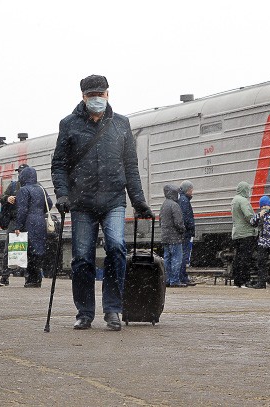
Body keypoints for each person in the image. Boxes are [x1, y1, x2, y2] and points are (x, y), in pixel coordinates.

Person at [51, 74, 153, 331]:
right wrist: (62, 194)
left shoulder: (121, 124)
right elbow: (59, 165)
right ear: (83, 97)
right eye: (91, 95)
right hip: (82, 202)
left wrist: (138, 201)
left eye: (101, 94)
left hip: (113, 200)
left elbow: (131, 165)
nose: (97, 99)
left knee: (117, 248)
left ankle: (113, 310)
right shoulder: (69, 125)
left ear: (108, 94)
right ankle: (84, 312)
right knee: (82, 258)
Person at [14, 166, 52, 288]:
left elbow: (22, 210)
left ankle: (31, 279)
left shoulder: (24, 190)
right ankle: (38, 278)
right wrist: (40, 212)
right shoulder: (41, 189)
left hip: (29, 222)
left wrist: (18, 225)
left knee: (29, 251)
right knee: (38, 250)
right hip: (40, 221)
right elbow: (49, 204)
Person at [0, 163, 28, 286]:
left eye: (22, 172)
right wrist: (7, 198)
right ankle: (5, 277)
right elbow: (2, 197)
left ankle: (28, 277)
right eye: (19, 172)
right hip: (15, 220)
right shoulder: (14, 185)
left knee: (27, 250)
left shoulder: (34, 186)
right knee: (9, 249)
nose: (20, 174)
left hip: (26, 221)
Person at [160, 184, 186, 287]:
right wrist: (182, 230)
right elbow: (178, 222)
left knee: (167, 259)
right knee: (176, 259)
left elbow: (161, 221)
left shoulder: (164, 205)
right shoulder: (174, 205)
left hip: (165, 237)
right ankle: (175, 280)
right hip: (174, 237)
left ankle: (167, 279)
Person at [230, 181, 256, 288]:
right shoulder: (243, 201)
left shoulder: (234, 200)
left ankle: (237, 281)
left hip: (237, 233)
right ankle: (245, 280)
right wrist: (256, 222)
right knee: (245, 258)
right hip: (245, 233)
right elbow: (248, 216)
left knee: (238, 257)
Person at [178, 180, 196, 286]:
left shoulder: (183, 199)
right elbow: (186, 217)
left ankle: (183, 277)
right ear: (186, 190)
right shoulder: (184, 201)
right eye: (190, 189)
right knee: (184, 255)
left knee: (183, 255)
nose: (192, 191)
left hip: (185, 232)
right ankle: (183, 277)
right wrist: (190, 228)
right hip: (186, 233)